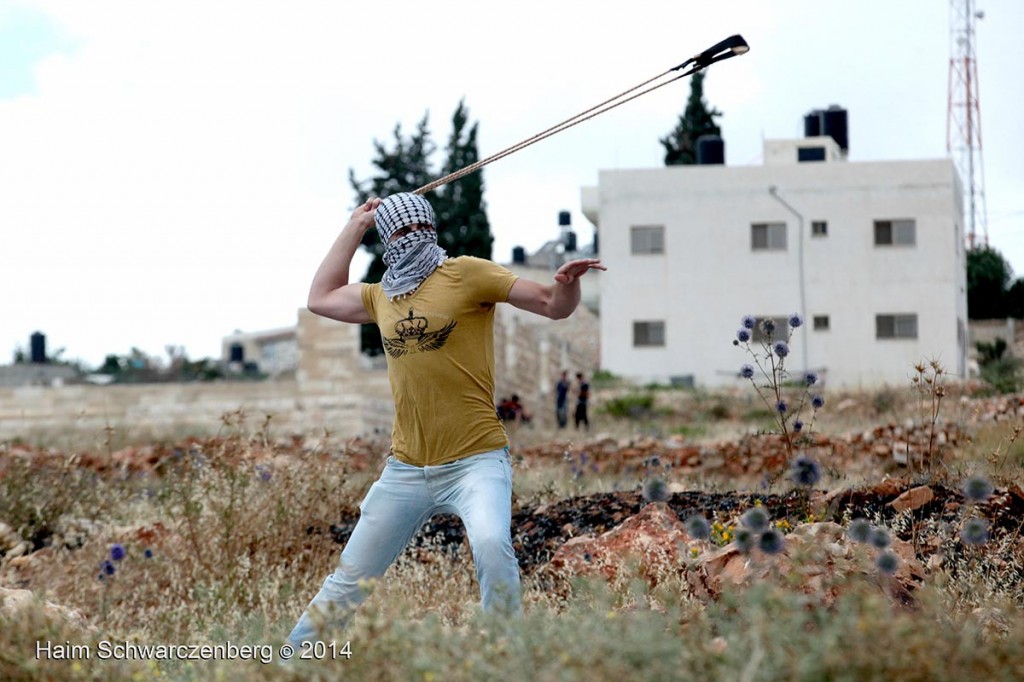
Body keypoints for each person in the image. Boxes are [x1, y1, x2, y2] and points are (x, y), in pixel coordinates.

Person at [288, 192, 604, 646]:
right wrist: (355, 227)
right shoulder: (381, 298)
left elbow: (551, 304)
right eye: (402, 231)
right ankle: (289, 664)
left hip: (476, 461)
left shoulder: (466, 273)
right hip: (406, 470)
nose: (415, 237)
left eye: (423, 227)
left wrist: (568, 284)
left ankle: (505, 657)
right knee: (349, 577)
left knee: (493, 546)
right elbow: (320, 298)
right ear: (388, 239)